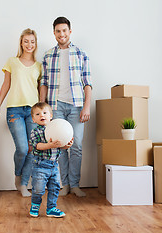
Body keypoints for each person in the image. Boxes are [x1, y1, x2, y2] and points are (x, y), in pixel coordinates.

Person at [39, 16, 92, 197]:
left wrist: (86, 106)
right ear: (54, 33)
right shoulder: (47, 55)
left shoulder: (81, 54)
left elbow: (87, 83)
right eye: (58, 31)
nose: (61, 34)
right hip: (56, 106)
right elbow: (44, 82)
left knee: (76, 145)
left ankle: (75, 184)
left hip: (77, 106)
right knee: (59, 144)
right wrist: (43, 107)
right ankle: (65, 184)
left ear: (70, 31)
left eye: (64, 30)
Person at [0, 28, 41, 197]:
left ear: (36, 44)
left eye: (32, 41)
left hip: (33, 112)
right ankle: (18, 176)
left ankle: (23, 184)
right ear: (21, 42)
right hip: (15, 110)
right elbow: (6, 84)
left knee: (31, 148)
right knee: (22, 148)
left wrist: (43, 111)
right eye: (26, 41)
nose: (29, 44)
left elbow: (40, 90)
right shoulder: (12, 61)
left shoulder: (39, 66)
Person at [29, 102, 73, 218]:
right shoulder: (35, 132)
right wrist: (49, 145)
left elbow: (60, 146)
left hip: (54, 165)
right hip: (40, 166)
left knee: (55, 187)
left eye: (44, 113)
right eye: (38, 114)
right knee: (38, 188)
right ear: (33, 119)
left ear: (51, 116)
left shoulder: (57, 129)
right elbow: (37, 146)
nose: (42, 115)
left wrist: (67, 145)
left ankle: (51, 208)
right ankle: (35, 205)